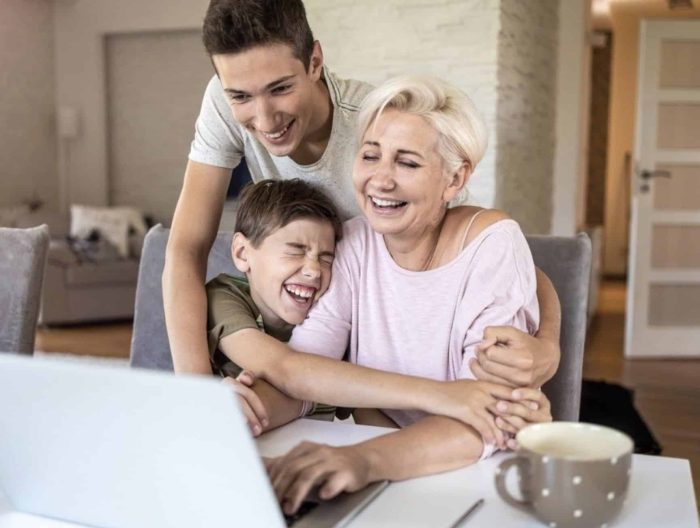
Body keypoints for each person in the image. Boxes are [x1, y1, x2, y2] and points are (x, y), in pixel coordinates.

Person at [164, 0, 562, 387]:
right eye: (241, 96)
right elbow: (186, 247)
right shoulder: (223, 99)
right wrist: (195, 393)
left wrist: (547, 345)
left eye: (281, 88)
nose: (265, 119)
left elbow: (491, 259)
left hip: (360, 358)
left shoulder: (381, 132)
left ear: (315, 62)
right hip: (303, 344)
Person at [264, 75, 552, 515]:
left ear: (454, 178)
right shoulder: (355, 241)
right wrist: (248, 410)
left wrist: (361, 460)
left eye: (408, 163)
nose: (380, 180)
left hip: (472, 481)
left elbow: (490, 417)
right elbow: (307, 371)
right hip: (377, 471)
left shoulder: (492, 242)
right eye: (371, 155)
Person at [207, 177, 534, 446]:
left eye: (326, 257)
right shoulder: (226, 297)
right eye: (295, 251)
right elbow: (288, 370)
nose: (313, 270)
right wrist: (444, 396)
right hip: (226, 440)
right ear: (241, 252)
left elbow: (364, 405)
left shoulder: (333, 308)